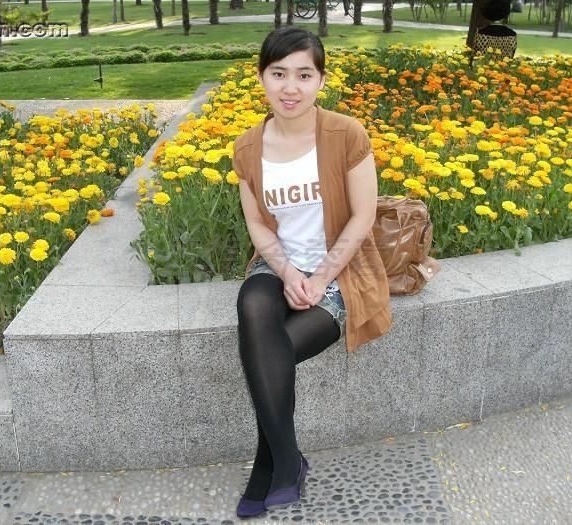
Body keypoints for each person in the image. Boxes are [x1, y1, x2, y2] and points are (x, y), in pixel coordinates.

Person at [231, 27, 392, 518]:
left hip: (340, 269)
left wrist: (321, 278)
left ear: (321, 80)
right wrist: (284, 271)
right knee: (252, 304)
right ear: (261, 77)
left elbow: (363, 216)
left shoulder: (346, 134)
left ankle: (270, 462)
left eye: (304, 75)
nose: (290, 87)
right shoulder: (247, 147)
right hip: (280, 261)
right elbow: (258, 225)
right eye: (278, 74)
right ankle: (286, 459)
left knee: (269, 351)